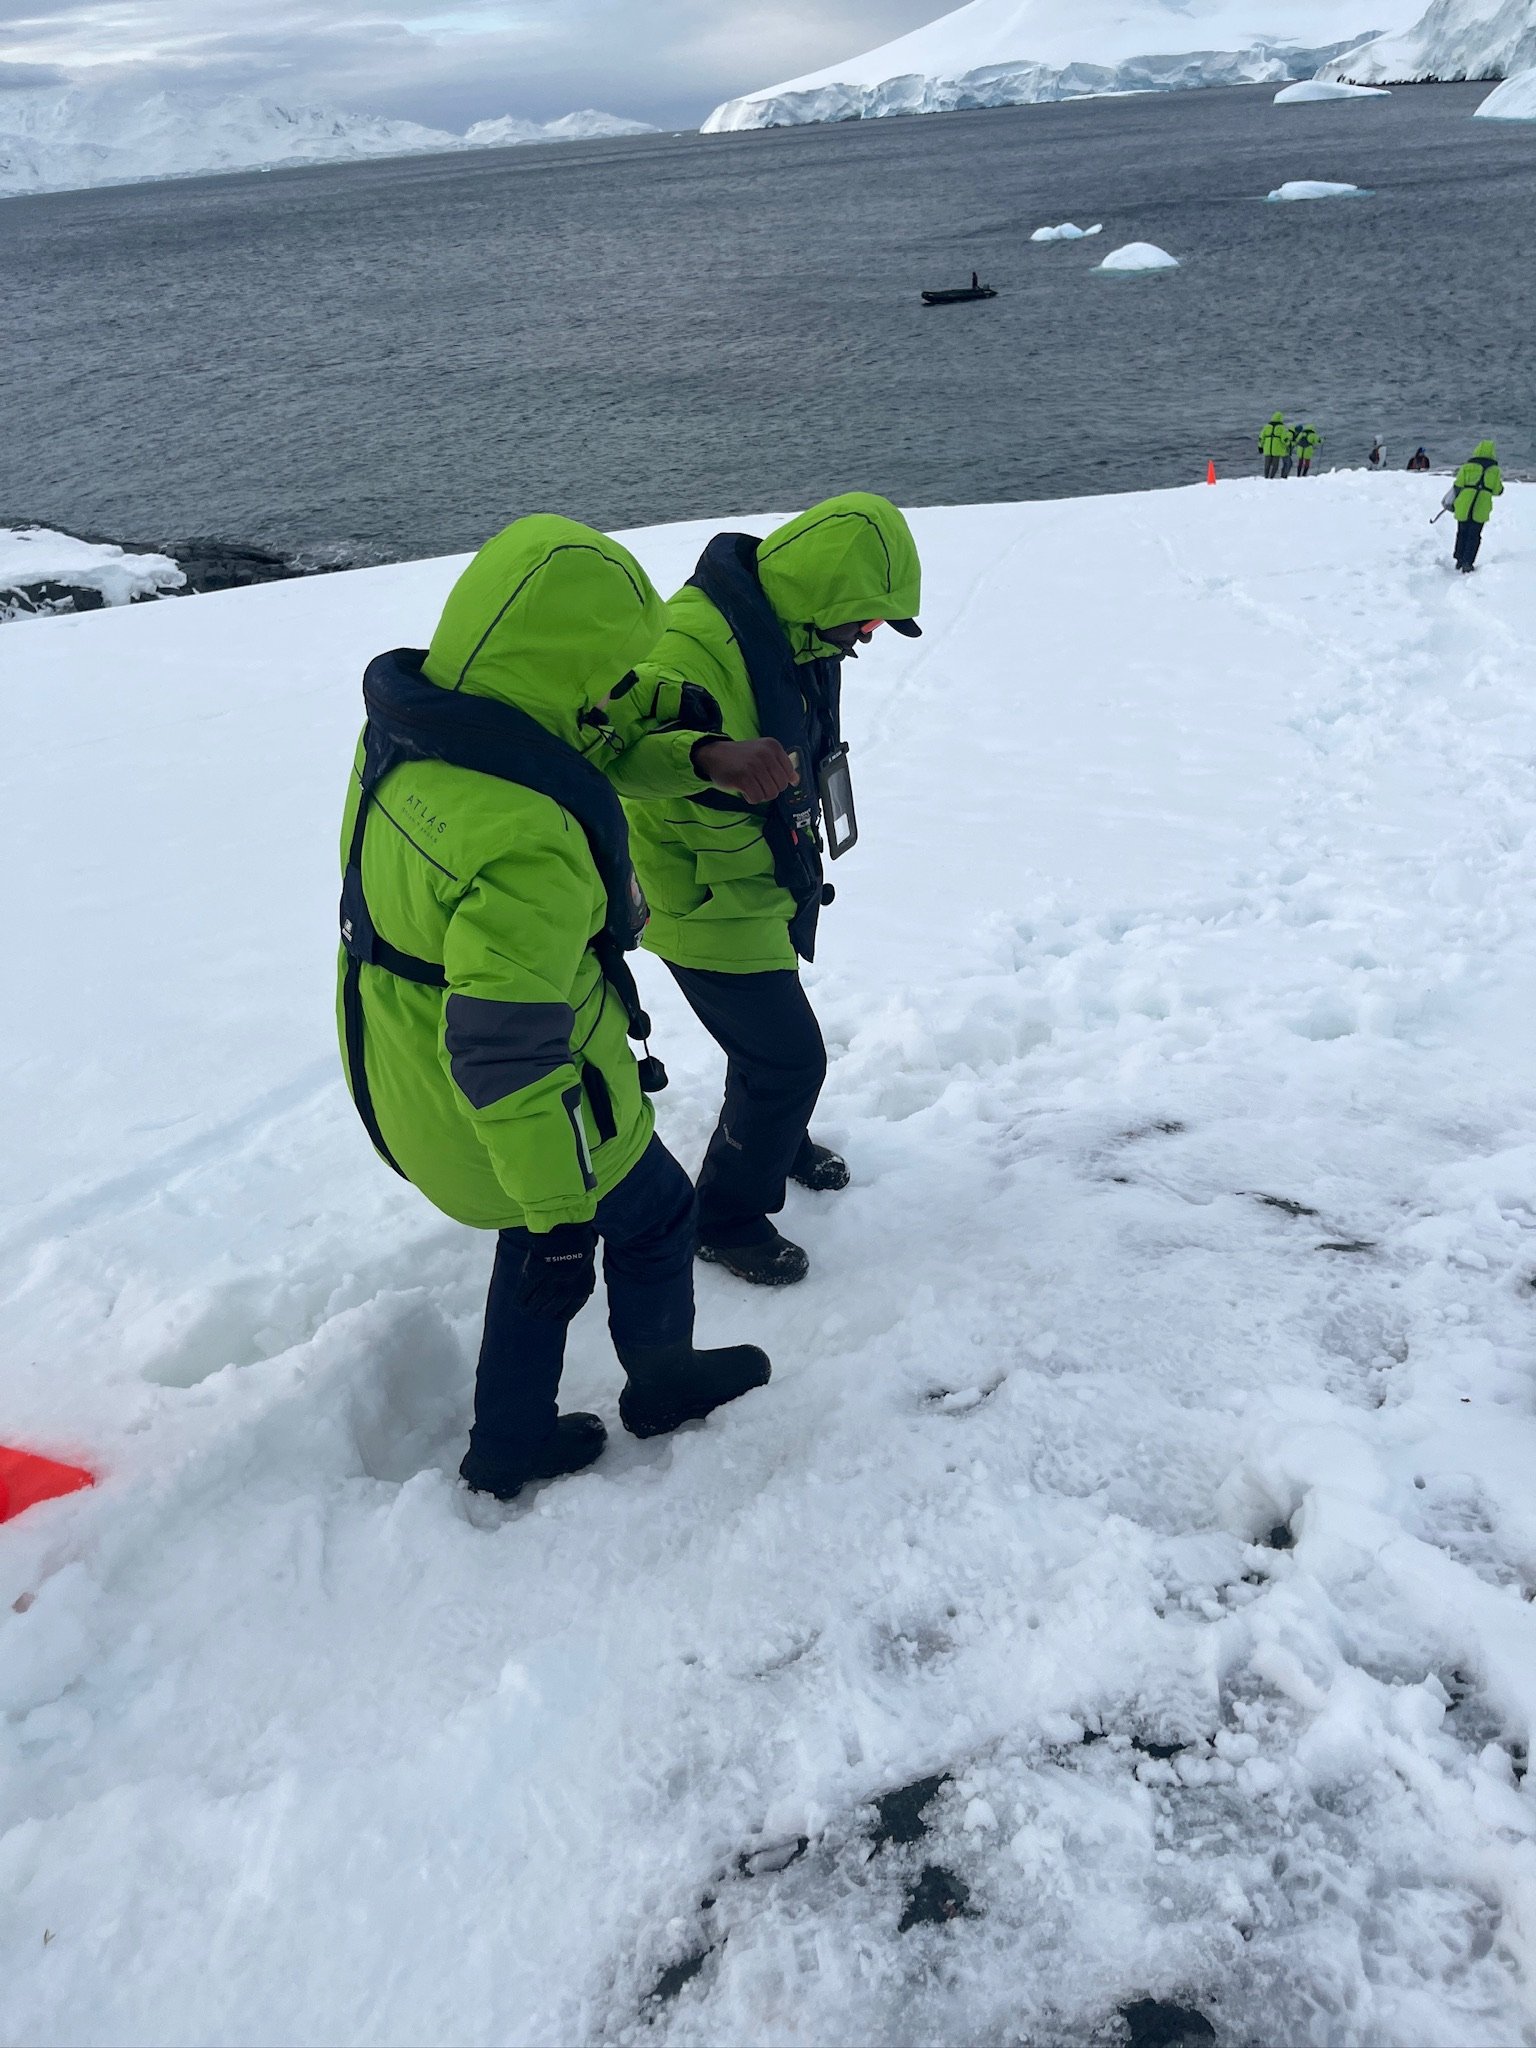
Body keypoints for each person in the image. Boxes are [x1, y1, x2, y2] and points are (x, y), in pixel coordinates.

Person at [336, 514, 770, 1503]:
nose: (617, 690)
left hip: (408, 1078)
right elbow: (510, 1053)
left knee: (536, 1241)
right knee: (647, 1217)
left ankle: (511, 1439)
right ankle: (662, 1383)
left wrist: (686, 734)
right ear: (568, 665)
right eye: (609, 671)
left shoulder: (415, 729)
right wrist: (559, 1212)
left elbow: (583, 725)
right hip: (516, 1101)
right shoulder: (526, 837)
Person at [609, 492, 922, 1287]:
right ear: (826, 596)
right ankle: (725, 1219)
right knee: (787, 1060)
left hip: (759, 879)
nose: (867, 637)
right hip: (701, 895)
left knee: (768, 1052)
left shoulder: (788, 626)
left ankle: (776, 1142)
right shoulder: (688, 643)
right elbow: (617, 752)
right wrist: (706, 754)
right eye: (865, 621)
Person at [1450, 439, 1503, 573]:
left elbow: (1458, 484)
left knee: (1462, 532)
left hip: (1464, 504)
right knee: (1474, 535)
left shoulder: (1467, 467)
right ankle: (1468, 562)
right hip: (1481, 506)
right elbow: (1497, 491)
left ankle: (1459, 559)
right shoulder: (1495, 471)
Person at [1259, 413, 1291, 480]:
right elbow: (1284, 439)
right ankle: (1271, 477)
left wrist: (1260, 446)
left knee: (1267, 465)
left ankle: (1266, 477)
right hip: (1276, 450)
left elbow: (1261, 437)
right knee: (1275, 466)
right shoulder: (1282, 428)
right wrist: (1288, 445)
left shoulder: (1266, 427)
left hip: (1267, 449)